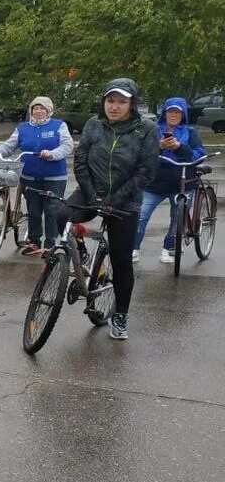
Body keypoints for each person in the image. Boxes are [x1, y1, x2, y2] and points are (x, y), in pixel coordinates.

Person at [57, 78, 158, 340]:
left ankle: (120, 315)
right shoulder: (94, 124)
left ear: (131, 104)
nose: (114, 107)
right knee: (61, 215)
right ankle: (80, 252)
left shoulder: (145, 129)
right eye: (110, 101)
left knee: (122, 261)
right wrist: (92, 194)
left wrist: (116, 199)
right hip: (93, 191)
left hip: (126, 201)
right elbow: (80, 161)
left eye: (122, 102)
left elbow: (145, 171)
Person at [0, 97, 73, 256]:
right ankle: (34, 241)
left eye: (42, 108)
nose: (38, 111)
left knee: (52, 210)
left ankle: (50, 243)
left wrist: (52, 154)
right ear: (31, 111)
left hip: (54, 177)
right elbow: (9, 145)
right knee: (34, 210)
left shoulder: (58, 125)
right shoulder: (23, 128)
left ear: (49, 110)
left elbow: (67, 145)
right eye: (35, 108)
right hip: (29, 176)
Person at [133, 96, 206, 264]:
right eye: (170, 111)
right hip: (154, 183)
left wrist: (179, 147)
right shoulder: (154, 130)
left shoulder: (190, 132)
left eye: (177, 112)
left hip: (182, 183)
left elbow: (199, 155)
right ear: (164, 113)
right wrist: (160, 147)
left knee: (177, 218)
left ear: (183, 114)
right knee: (141, 215)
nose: (173, 115)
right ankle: (134, 248)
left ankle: (169, 248)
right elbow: (142, 154)